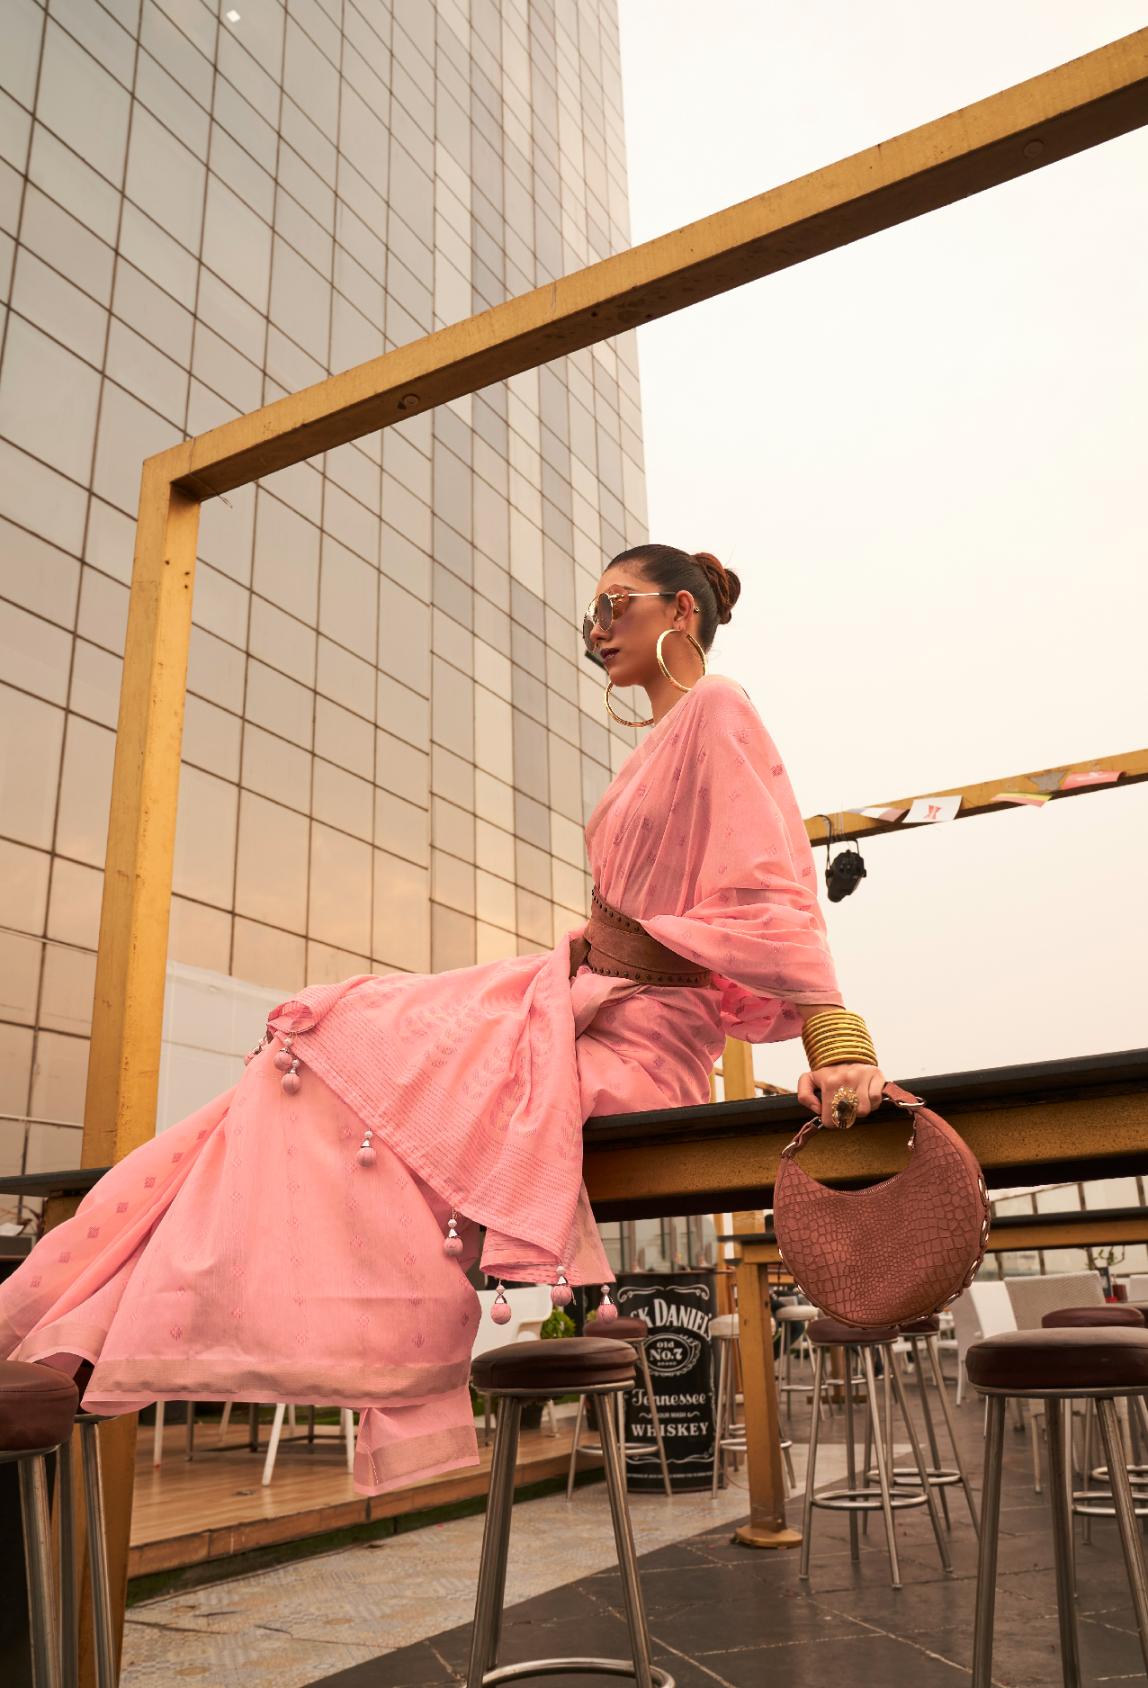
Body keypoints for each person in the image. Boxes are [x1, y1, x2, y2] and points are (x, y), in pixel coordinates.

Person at [0, 543, 884, 1494]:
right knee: (328, 1036)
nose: (594, 631)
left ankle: (149, 1318)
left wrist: (838, 1041)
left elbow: (772, 883)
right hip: (580, 1001)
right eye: (589, 613)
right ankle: (106, 1303)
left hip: (644, 1035)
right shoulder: (659, 742)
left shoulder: (718, 707)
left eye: (614, 606)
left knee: (356, 1042)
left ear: (679, 610)